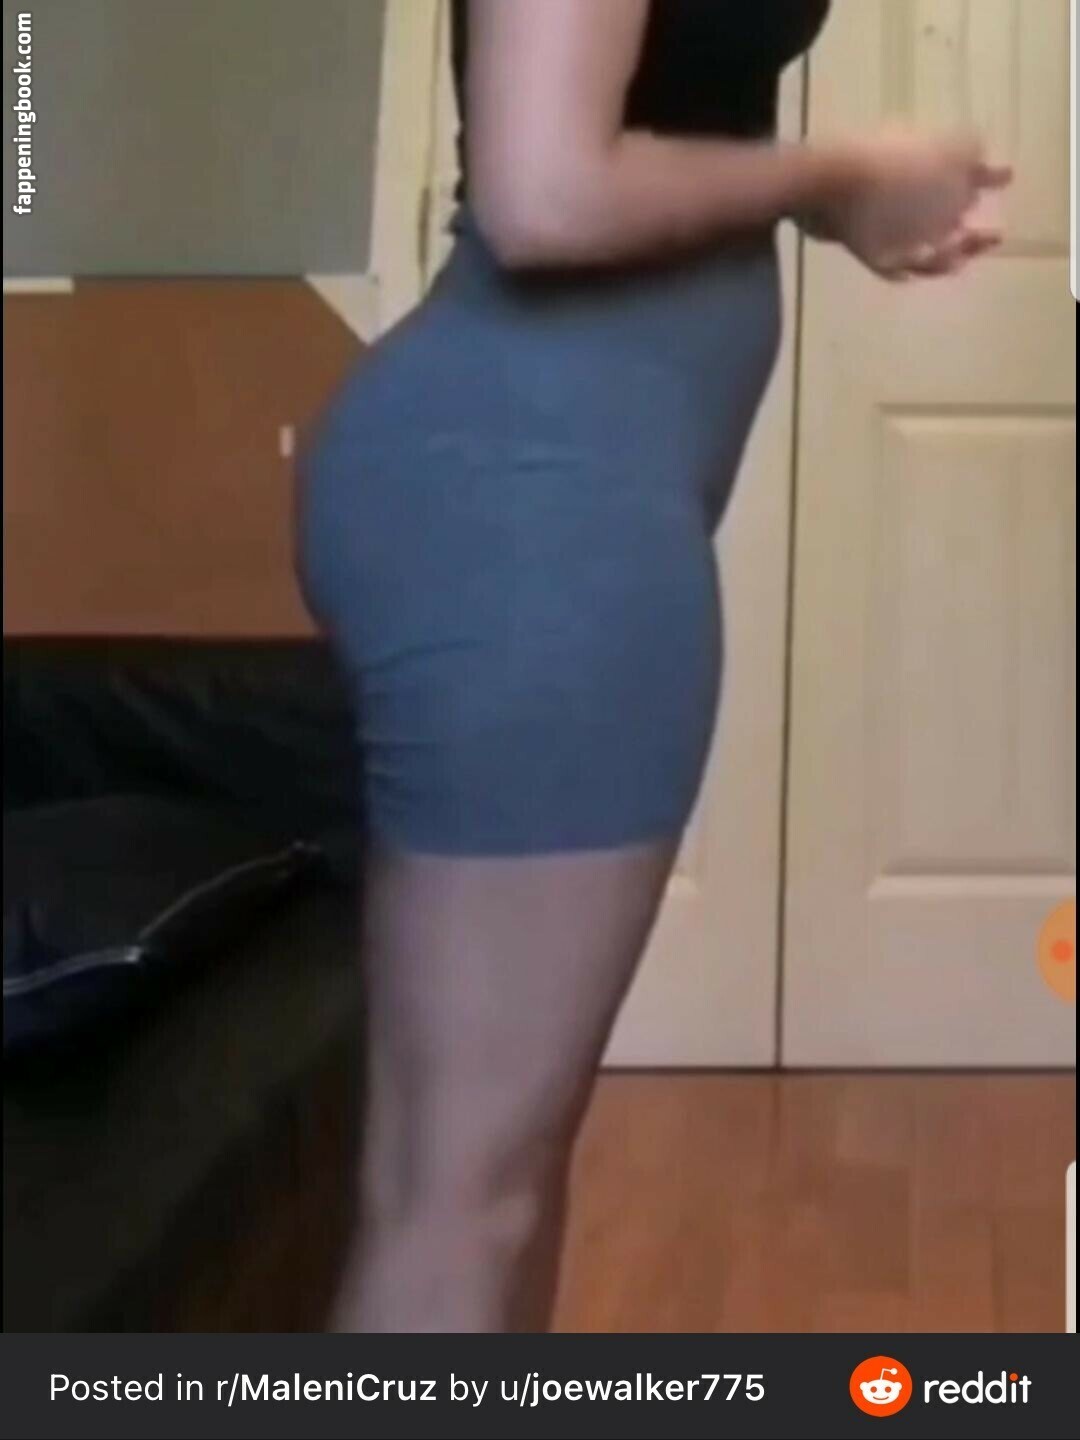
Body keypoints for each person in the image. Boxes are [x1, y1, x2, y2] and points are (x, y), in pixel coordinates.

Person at [296, 0, 1010, 1333]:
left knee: (487, 1182)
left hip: (541, 497)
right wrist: (839, 168)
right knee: (459, 1203)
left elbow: (646, 120)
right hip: (520, 510)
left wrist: (822, 201)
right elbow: (544, 191)